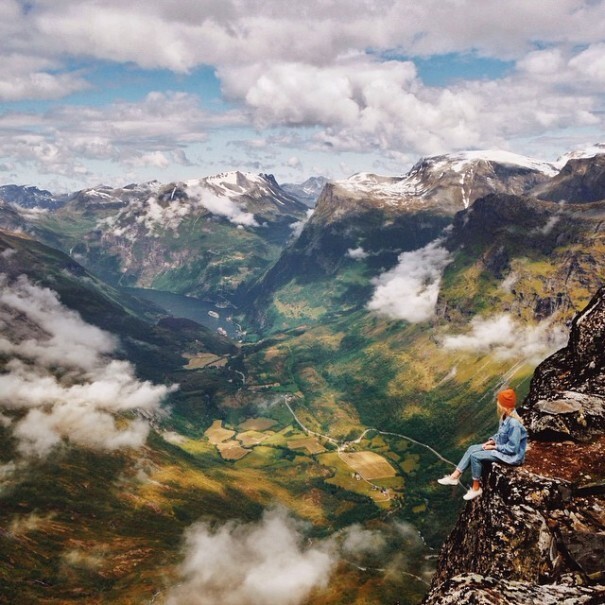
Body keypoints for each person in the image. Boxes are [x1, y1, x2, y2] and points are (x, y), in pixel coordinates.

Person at [437, 388, 528, 500]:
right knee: (472, 448)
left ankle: (476, 489)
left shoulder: (513, 423)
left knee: (475, 456)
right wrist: (491, 441)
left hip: (511, 456)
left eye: (499, 402)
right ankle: (454, 477)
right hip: (501, 448)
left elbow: (513, 448)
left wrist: (494, 447)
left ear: (504, 405)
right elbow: (500, 435)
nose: (497, 404)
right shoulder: (505, 416)